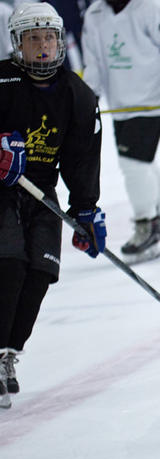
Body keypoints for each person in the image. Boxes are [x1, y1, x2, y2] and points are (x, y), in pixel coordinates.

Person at [0, 2, 106, 409]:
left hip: (41, 191)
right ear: (18, 44)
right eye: (33, 39)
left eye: (49, 38)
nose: (42, 47)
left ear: (60, 42)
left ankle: (8, 355)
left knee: (41, 272)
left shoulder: (78, 94)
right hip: (2, 192)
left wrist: (85, 209)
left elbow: (82, 159)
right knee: (8, 265)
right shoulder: (3, 80)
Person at [81, 0, 160, 264]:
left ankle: (147, 226)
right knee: (143, 162)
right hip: (121, 103)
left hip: (152, 99)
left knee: (132, 164)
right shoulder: (95, 13)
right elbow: (94, 62)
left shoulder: (151, 7)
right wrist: (88, 98)